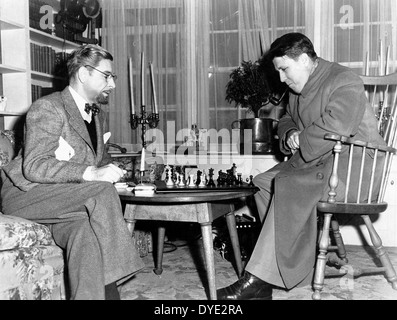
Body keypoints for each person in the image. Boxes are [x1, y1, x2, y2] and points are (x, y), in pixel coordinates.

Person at [217, 32, 385, 300]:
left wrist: (302, 139)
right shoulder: (298, 89)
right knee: (263, 182)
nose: (281, 79)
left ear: (305, 59)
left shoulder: (344, 80)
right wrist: (290, 132)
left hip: (351, 168)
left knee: (287, 184)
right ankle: (292, 269)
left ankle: (258, 280)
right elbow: (285, 120)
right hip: (319, 161)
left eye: (284, 69)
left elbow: (337, 125)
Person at [0, 44, 144, 300]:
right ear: (83, 73)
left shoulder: (95, 116)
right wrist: (91, 173)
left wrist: (121, 176)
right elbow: (34, 166)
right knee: (101, 189)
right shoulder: (48, 107)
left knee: (84, 234)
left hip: (67, 203)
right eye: (107, 75)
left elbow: (100, 160)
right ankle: (116, 286)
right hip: (28, 197)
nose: (112, 84)